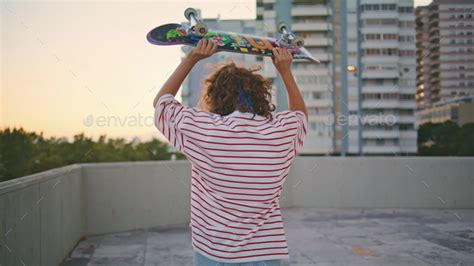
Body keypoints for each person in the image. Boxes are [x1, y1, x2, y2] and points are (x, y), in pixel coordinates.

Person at [153, 38, 308, 266]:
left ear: (215, 97)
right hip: (265, 254)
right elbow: (300, 115)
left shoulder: (204, 130)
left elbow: (162, 104)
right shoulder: (280, 132)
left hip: (212, 252)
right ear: (260, 95)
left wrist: (191, 59)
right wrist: (285, 71)